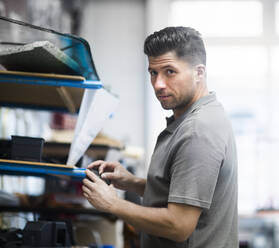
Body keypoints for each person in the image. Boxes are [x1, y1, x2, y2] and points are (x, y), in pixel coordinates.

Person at [82, 26, 238, 248]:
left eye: (170, 72)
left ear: (199, 73)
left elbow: (178, 225)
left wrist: (113, 204)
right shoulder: (200, 117)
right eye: (153, 73)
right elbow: (181, 193)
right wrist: (132, 183)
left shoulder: (198, 130)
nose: (158, 84)